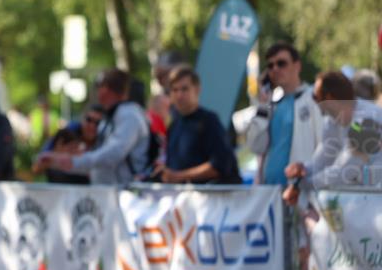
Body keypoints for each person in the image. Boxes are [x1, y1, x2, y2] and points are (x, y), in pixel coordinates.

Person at [37, 69, 150, 184]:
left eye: (99, 86)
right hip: (108, 192)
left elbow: (111, 155)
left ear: (105, 89)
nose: (97, 92)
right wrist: (62, 161)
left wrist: (72, 161)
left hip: (123, 194)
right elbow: (99, 163)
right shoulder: (112, 116)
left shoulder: (129, 115)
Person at [284, 71, 382, 203]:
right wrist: (302, 170)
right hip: (367, 201)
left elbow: (345, 171)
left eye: (315, 96)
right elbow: (321, 162)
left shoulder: (369, 119)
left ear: (329, 97)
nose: (313, 101)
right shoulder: (332, 122)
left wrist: (301, 185)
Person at [245, 42, 323, 185]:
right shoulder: (270, 106)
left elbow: (325, 146)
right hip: (270, 193)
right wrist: (262, 105)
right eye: (270, 66)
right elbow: (255, 146)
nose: (275, 69)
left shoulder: (314, 99)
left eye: (281, 63)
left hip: (301, 191)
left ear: (297, 66)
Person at [155, 66, 241, 184]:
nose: (179, 95)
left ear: (197, 89)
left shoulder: (209, 121)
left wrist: (178, 176)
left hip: (211, 199)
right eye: (175, 90)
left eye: (184, 89)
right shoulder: (173, 125)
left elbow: (221, 165)